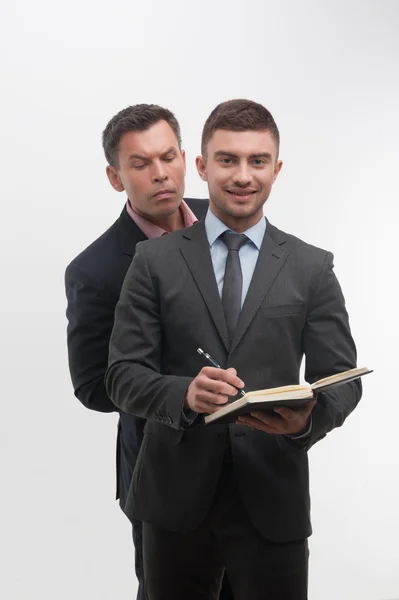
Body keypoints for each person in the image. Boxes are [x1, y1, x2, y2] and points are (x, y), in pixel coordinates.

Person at [106, 99, 362, 600]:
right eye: (227, 160)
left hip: (273, 496)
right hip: (174, 502)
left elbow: (343, 380)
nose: (242, 175)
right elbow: (122, 375)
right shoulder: (153, 261)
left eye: (257, 161)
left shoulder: (312, 267)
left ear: (277, 169)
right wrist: (184, 394)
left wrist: (308, 420)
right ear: (201, 167)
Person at [65, 103, 233, 599]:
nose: (160, 174)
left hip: (250, 459)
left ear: (185, 158)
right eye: (140, 164)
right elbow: (94, 385)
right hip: (163, 472)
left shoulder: (226, 215)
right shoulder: (94, 271)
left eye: (167, 156)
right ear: (116, 177)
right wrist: (180, 392)